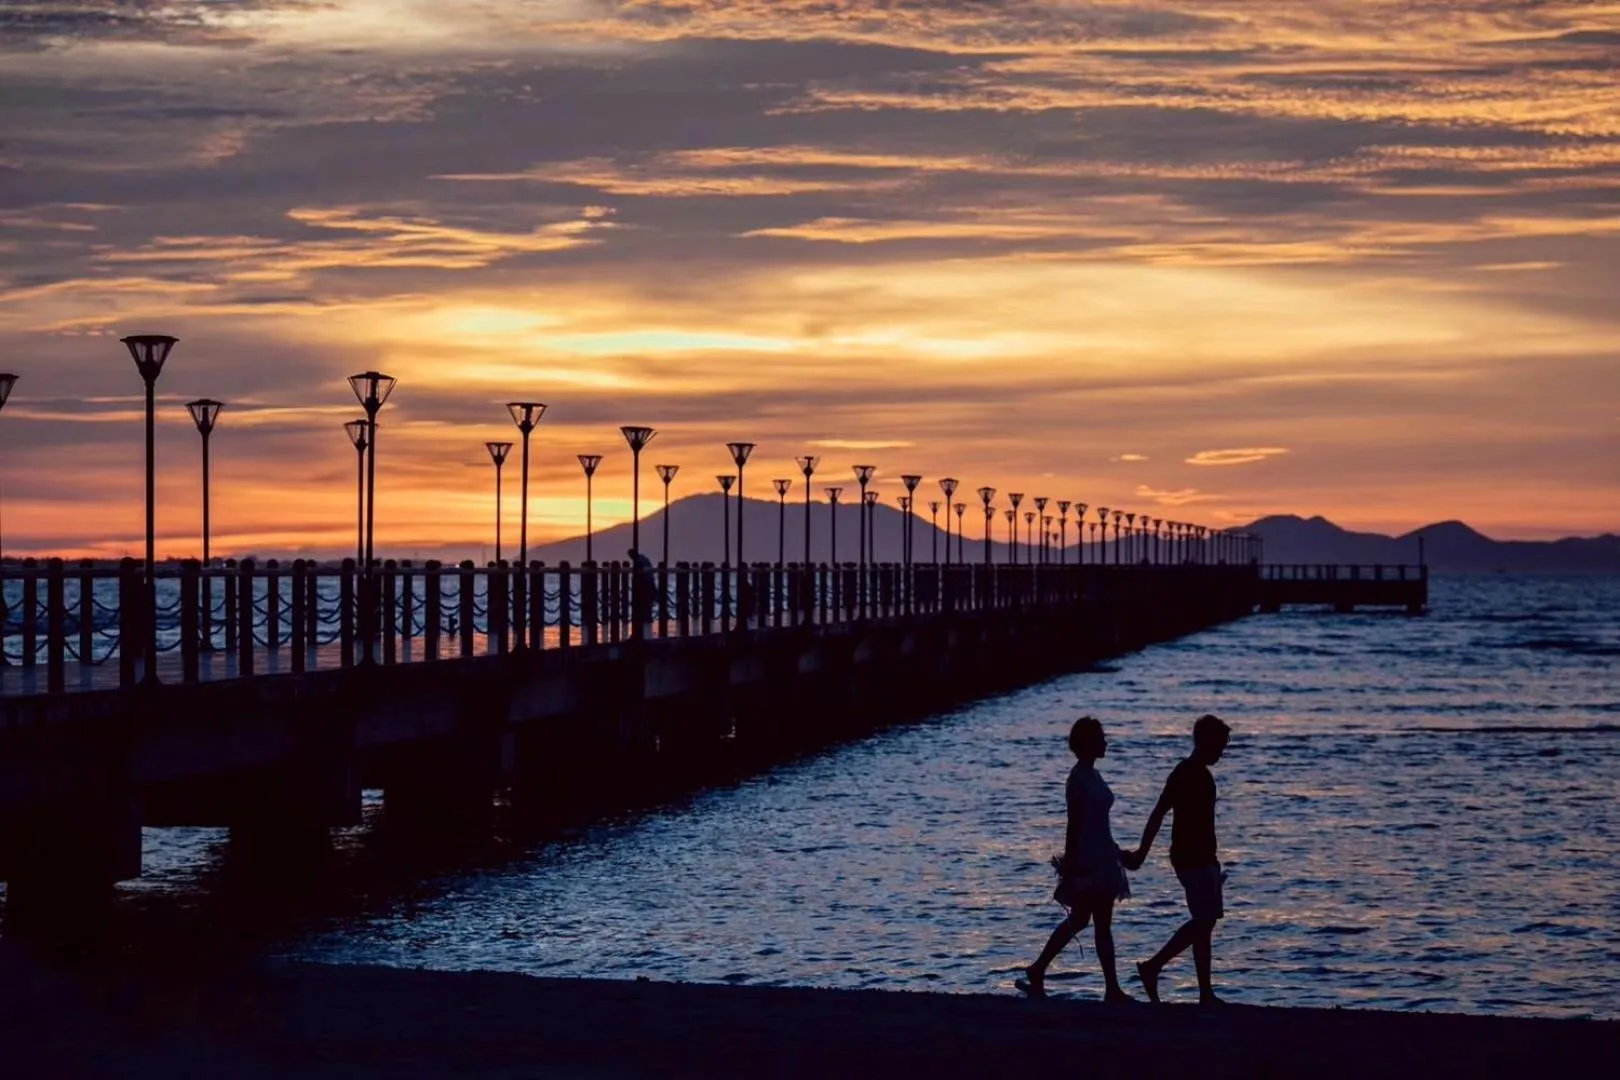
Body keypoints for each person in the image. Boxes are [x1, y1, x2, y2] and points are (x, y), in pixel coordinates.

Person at [1016, 716, 1134, 1002]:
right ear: (1088, 743)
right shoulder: (1079, 778)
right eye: (1100, 738)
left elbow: (1097, 822)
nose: (1106, 742)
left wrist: (1117, 852)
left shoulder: (1092, 774)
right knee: (1093, 921)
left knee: (1085, 920)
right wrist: (1072, 863)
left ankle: (1040, 969)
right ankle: (1110, 988)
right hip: (1090, 858)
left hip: (1103, 853)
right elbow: (1074, 822)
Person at [1124, 713, 1231, 1005]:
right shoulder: (1184, 773)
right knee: (1203, 920)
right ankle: (1153, 967)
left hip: (1205, 856)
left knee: (1205, 923)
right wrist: (1142, 854)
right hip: (1190, 857)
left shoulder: (1202, 775)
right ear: (1206, 741)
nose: (1222, 752)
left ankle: (1204, 991)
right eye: (1220, 745)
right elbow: (1159, 812)